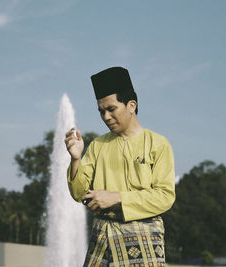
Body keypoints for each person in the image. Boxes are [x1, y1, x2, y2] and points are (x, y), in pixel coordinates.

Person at [64, 66, 175, 266]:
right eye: (101, 111)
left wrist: (117, 198)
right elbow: (79, 192)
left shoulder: (158, 144)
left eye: (111, 109)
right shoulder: (98, 145)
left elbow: (165, 197)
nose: (106, 117)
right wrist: (75, 159)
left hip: (144, 238)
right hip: (103, 236)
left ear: (131, 105)